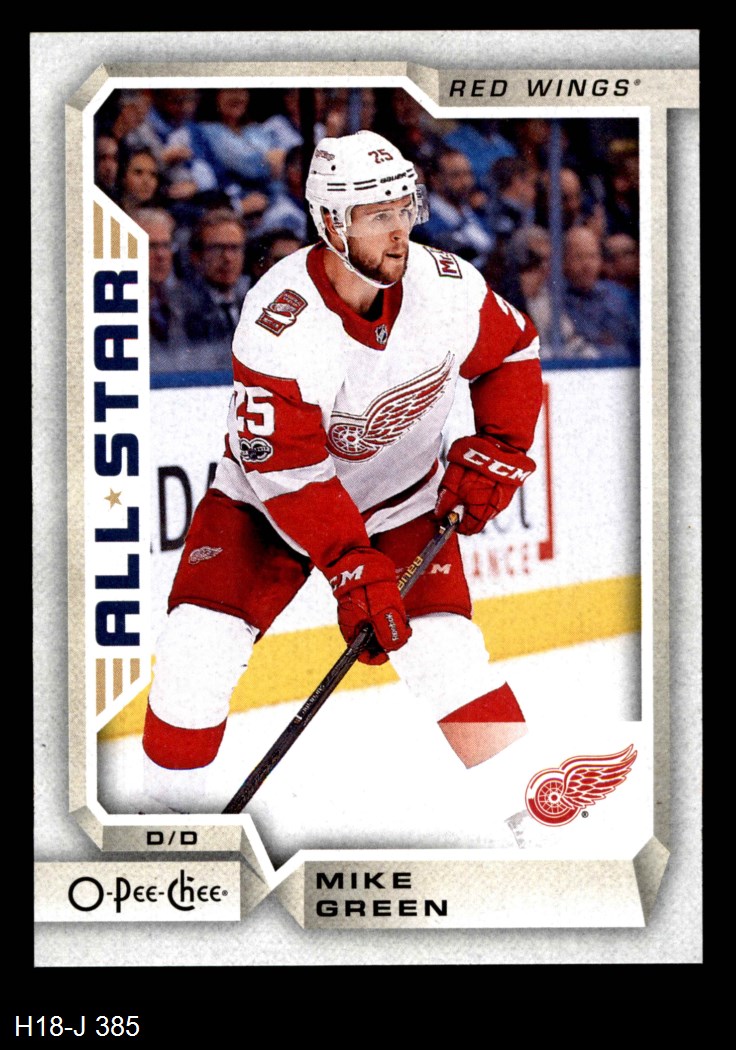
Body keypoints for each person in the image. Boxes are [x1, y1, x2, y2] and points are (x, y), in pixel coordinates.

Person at [141, 131, 543, 814]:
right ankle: (166, 827)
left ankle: (544, 816)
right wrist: (350, 562)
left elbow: (513, 350)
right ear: (330, 223)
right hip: (265, 509)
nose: (399, 231)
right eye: (377, 215)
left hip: (399, 501)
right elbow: (290, 472)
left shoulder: (446, 286)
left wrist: (501, 443)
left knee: (447, 657)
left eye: (404, 209)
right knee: (194, 655)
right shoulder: (279, 321)